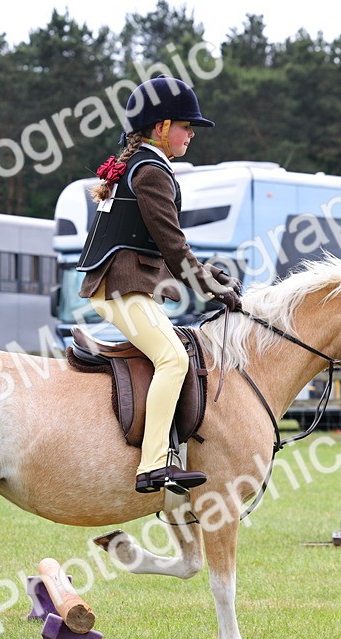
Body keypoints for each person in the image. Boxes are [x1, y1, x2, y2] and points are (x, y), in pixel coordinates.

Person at [76, 76, 241, 494]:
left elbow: (157, 244)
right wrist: (210, 287)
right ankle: (154, 465)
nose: (191, 136)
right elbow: (171, 243)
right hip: (120, 288)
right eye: (187, 127)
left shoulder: (142, 165)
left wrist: (209, 275)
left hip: (122, 285)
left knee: (174, 353)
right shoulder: (150, 170)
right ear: (162, 126)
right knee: (173, 359)